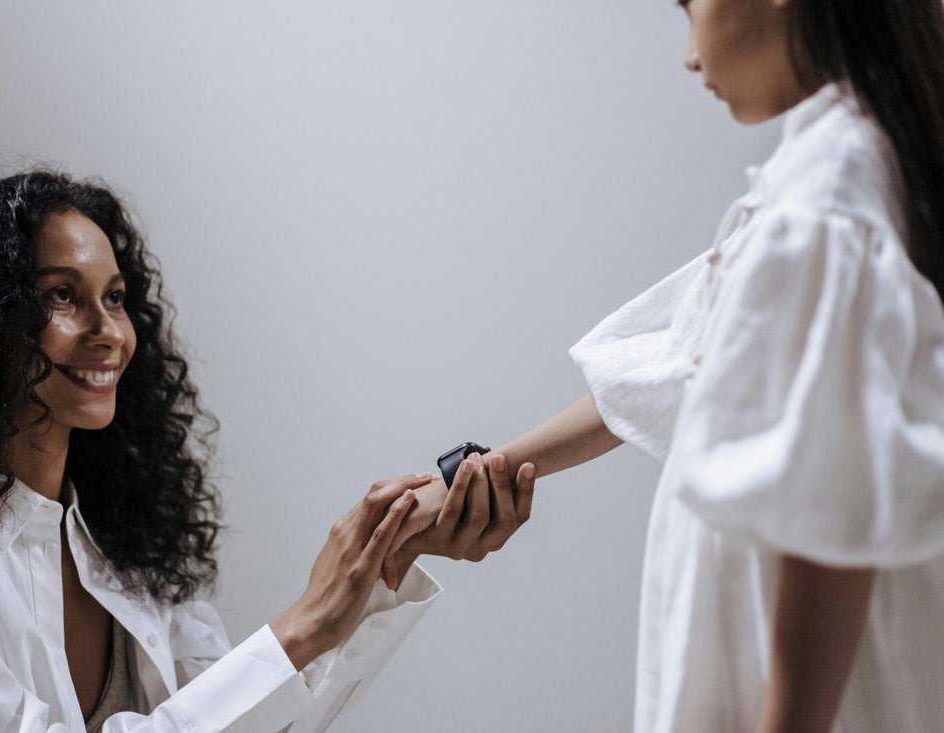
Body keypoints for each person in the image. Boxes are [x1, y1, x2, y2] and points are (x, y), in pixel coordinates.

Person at [392, 1, 944, 730]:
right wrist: (479, 473)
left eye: (691, 9)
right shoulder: (855, 172)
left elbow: (828, 536)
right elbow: (681, 361)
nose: (690, 55)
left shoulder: (822, 213)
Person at [0, 171, 537, 732]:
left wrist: (382, 567)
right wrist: (300, 624)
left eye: (115, 297)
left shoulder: (122, 548)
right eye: (62, 295)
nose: (108, 330)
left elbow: (249, 718)